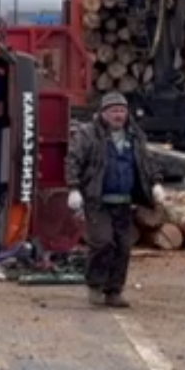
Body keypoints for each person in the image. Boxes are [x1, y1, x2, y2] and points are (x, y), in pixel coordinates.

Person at [66, 92, 164, 307]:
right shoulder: (88, 134)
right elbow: (73, 160)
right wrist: (73, 188)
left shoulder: (135, 135)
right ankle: (95, 285)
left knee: (123, 247)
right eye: (114, 111)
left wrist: (155, 182)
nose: (118, 115)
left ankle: (114, 291)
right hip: (97, 200)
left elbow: (147, 161)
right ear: (103, 113)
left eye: (122, 110)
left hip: (124, 201)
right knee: (103, 242)